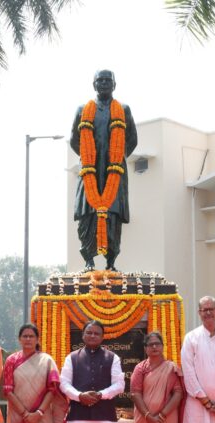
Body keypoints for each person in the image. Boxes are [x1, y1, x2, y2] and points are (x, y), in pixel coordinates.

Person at [70, 69, 138, 271]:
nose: (104, 83)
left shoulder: (123, 109)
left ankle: (111, 262)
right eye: (100, 80)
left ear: (114, 85)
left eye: (108, 80)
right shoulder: (83, 110)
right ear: (94, 84)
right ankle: (88, 261)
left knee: (113, 216)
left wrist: (117, 157)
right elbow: (74, 140)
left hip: (113, 173)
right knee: (87, 215)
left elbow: (132, 140)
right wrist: (89, 157)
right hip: (89, 172)